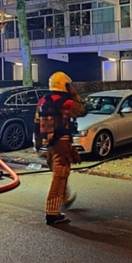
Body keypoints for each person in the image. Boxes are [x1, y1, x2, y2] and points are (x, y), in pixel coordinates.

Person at [34, 71, 87, 226]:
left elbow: (36, 123)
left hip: (48, 144)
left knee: (60, 172)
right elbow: (83, 110)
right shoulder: (66, 102)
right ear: (64, 85)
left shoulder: (43, 101)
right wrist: (74, 94)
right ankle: (52, 213)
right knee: (60, 174)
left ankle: (64, 197)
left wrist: (38, 145)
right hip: (62, 143)